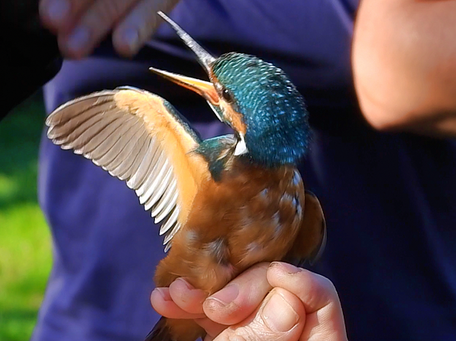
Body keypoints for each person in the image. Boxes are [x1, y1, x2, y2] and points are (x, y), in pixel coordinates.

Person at [32, 0, 456, 341]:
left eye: (225, 95)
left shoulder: (301, 208)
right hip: (109, 317)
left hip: (378, 312)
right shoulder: (214, 168)